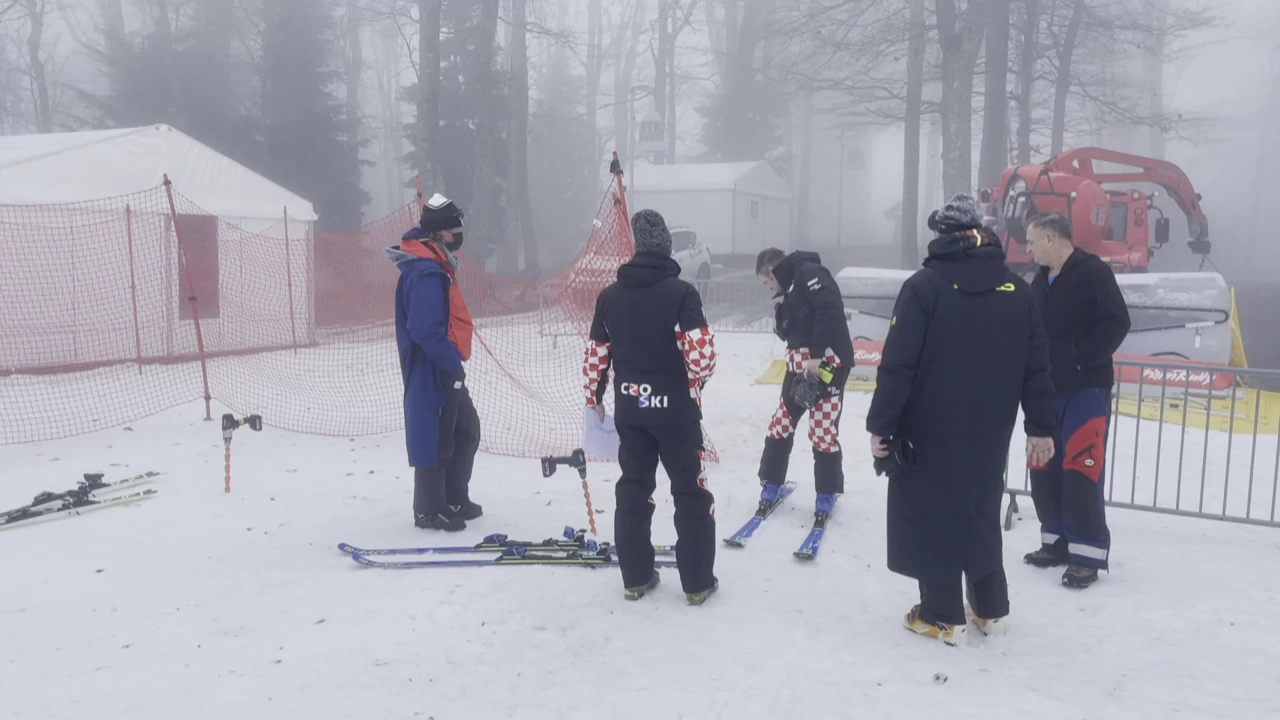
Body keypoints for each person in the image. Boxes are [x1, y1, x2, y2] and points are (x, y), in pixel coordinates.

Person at [866, 193, 1058, 646]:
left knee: (934, 514)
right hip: (991, 428)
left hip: (929, 427)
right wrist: (1041, 426)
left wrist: (883, 424)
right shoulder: (1018, 290)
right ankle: (990, 609)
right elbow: (1037, 367)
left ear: (941, 237)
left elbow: (898, 364)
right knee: (979, 510)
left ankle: (941, 614)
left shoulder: (925, 287)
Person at [582, 209, 719, 605]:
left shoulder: (609, 297)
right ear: (667, 247)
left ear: (637, 248)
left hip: (632, 411)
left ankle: (636, 578)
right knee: (690, 494)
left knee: (634, 491)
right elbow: (702, 358)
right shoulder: (682, 294)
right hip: (677, 413)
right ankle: (696, 584)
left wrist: (594, 396)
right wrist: (692, 385)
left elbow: (596, 355)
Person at [1024, 211, 1131, 589]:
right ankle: (1054, 541)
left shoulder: (1093, 273)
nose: (1028, 248)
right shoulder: (1037, 282)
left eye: (1032, 240)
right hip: (1045, 391)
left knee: (1082, 467)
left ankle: (1087, 554)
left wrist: (1081, 357)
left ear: (1052, 239)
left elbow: (1117, 322)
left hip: (1086, 389)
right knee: (1043, 467)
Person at [386, 192, 483, 532]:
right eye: (455, 228)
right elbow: (425, 329)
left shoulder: (436, 264)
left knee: (465, 428)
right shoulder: (425, 272)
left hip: (444, 362)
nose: (459, 233)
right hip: (431, 365)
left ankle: (454, 497)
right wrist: (449, 363)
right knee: (436, 435)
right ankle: (429, 508)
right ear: (440, 232)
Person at [754, 247, 854, 519]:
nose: (768, 287)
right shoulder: (790, 288)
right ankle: (771, 481)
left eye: (766, 282)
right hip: (797, 367)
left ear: (771, 271)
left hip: (827, 365)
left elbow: (830, 309)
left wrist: (818, 354)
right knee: (780, 423)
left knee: (822, 430)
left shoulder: (809, 272)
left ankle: (827, 491)